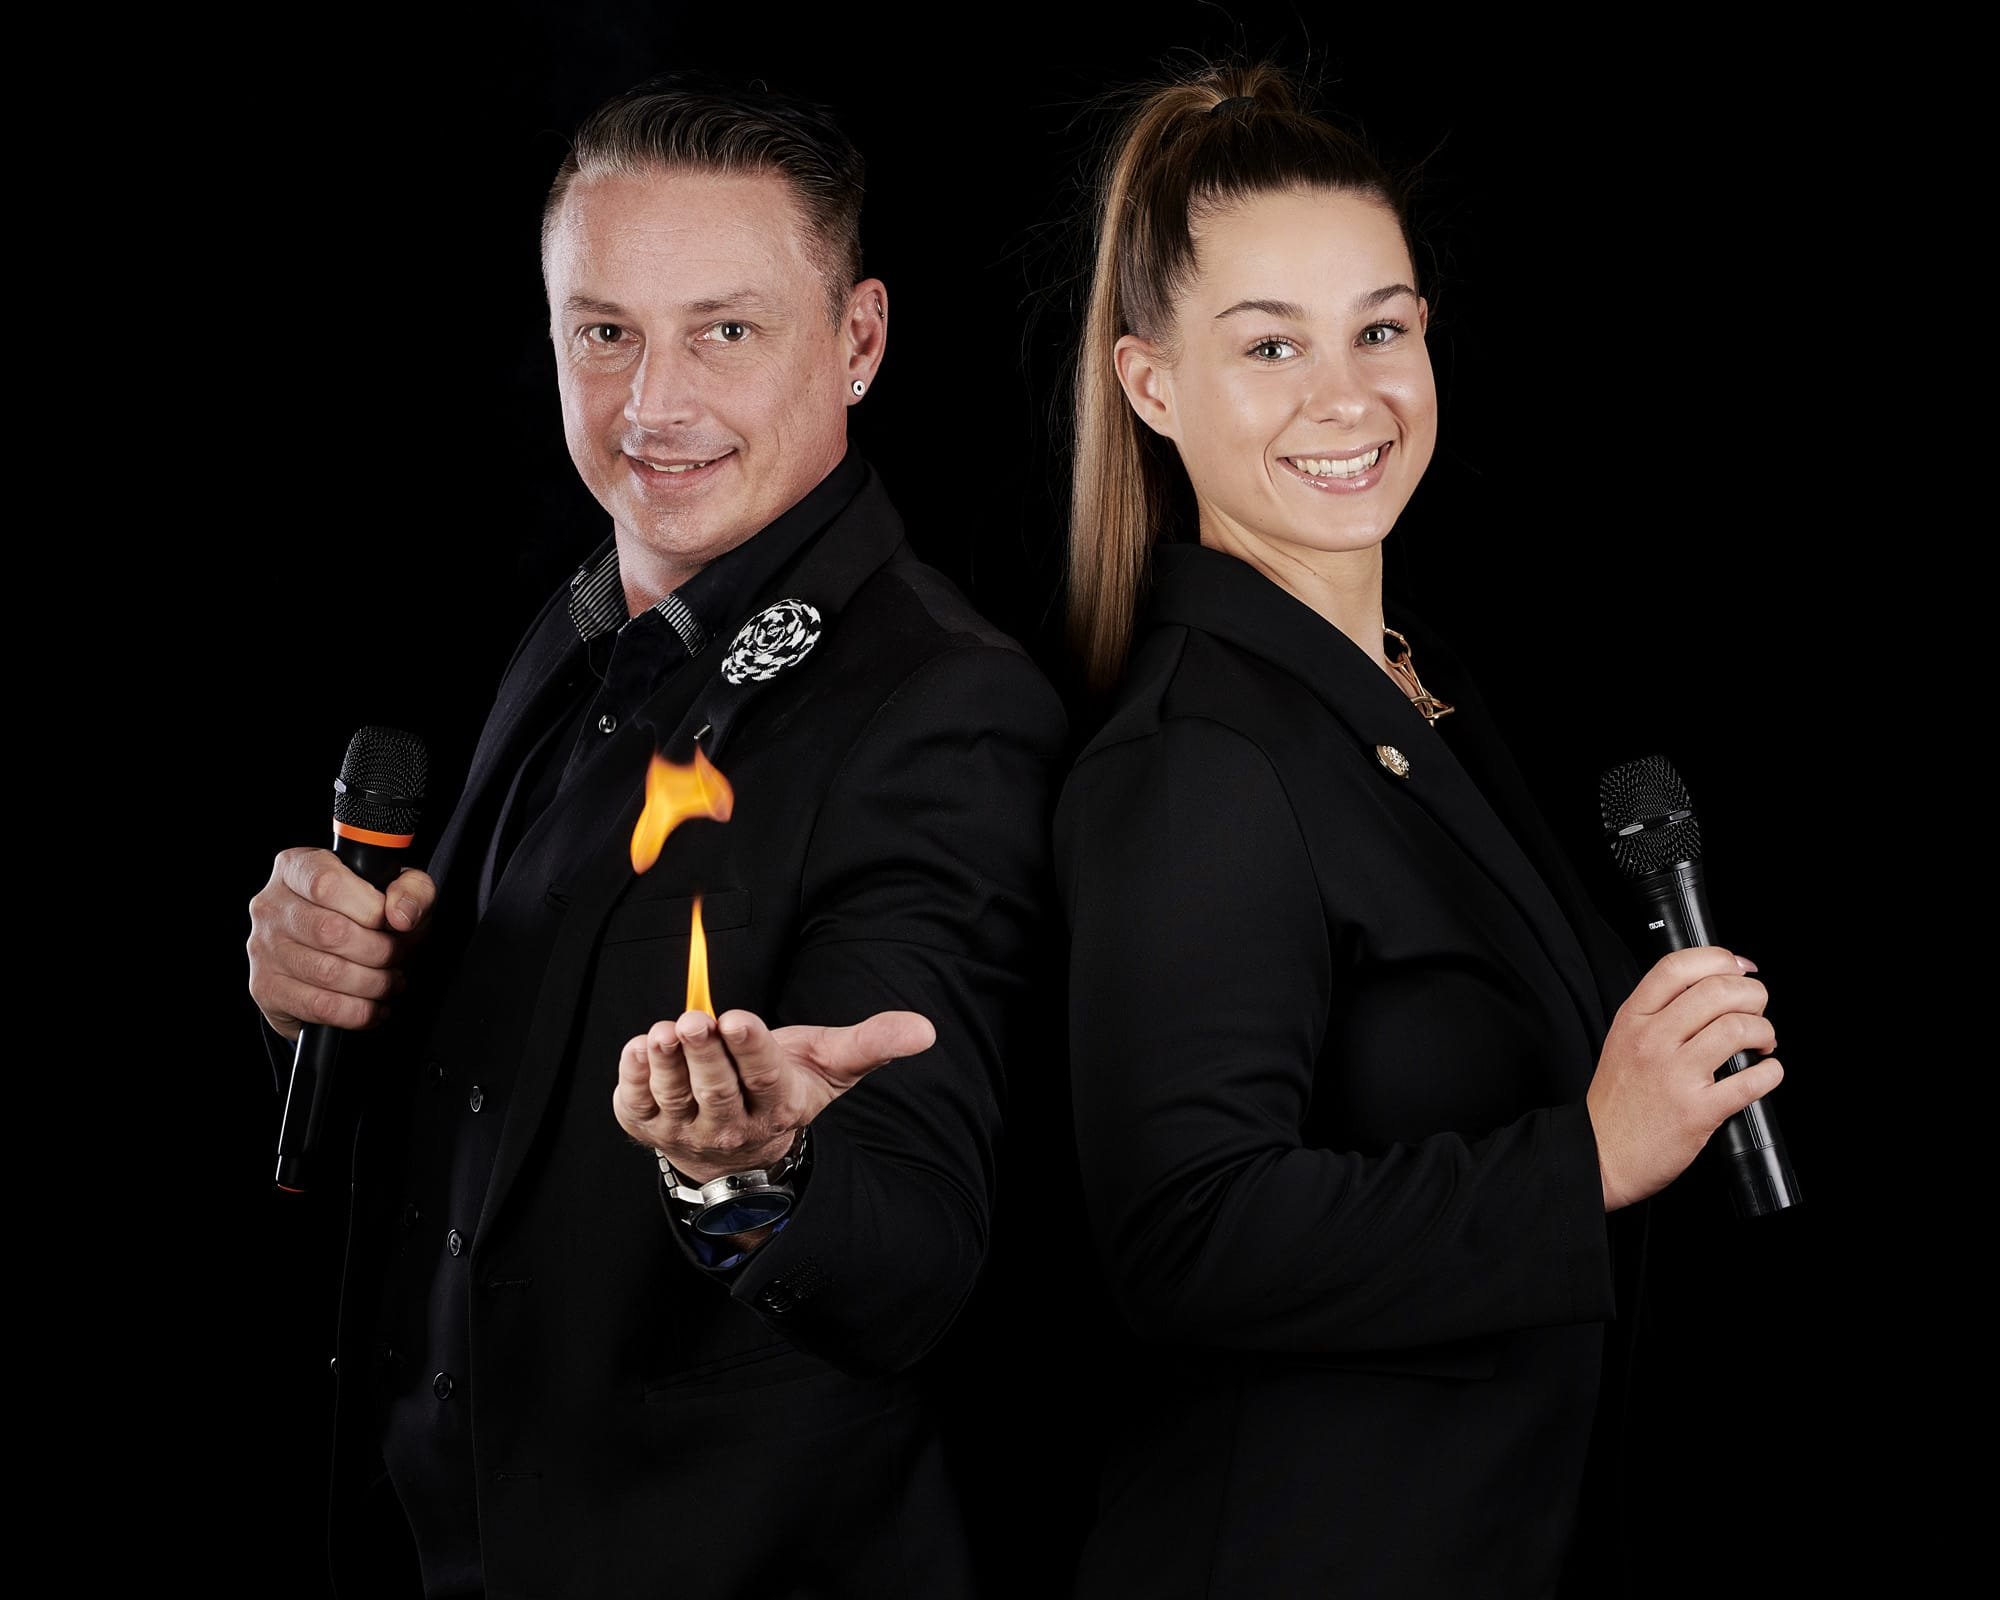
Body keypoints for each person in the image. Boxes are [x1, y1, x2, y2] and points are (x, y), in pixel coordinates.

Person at [246, 74, 1066, 1599]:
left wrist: (760, 1171)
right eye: (605, 332)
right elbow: (494, 1094)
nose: (653, 405)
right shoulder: (578, 625)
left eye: (726, 331)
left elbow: (915, 1256)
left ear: (861, 340)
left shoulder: (944, 706)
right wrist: (334, 986)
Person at [1052, 60, 1786, 1597]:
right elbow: (1186, 1237)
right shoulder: (1197, 763)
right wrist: (1589, 1157)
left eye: (1380, 330)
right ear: (1152, 387)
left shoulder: (1409, 688)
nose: (1348, 398)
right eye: (1271, 346)